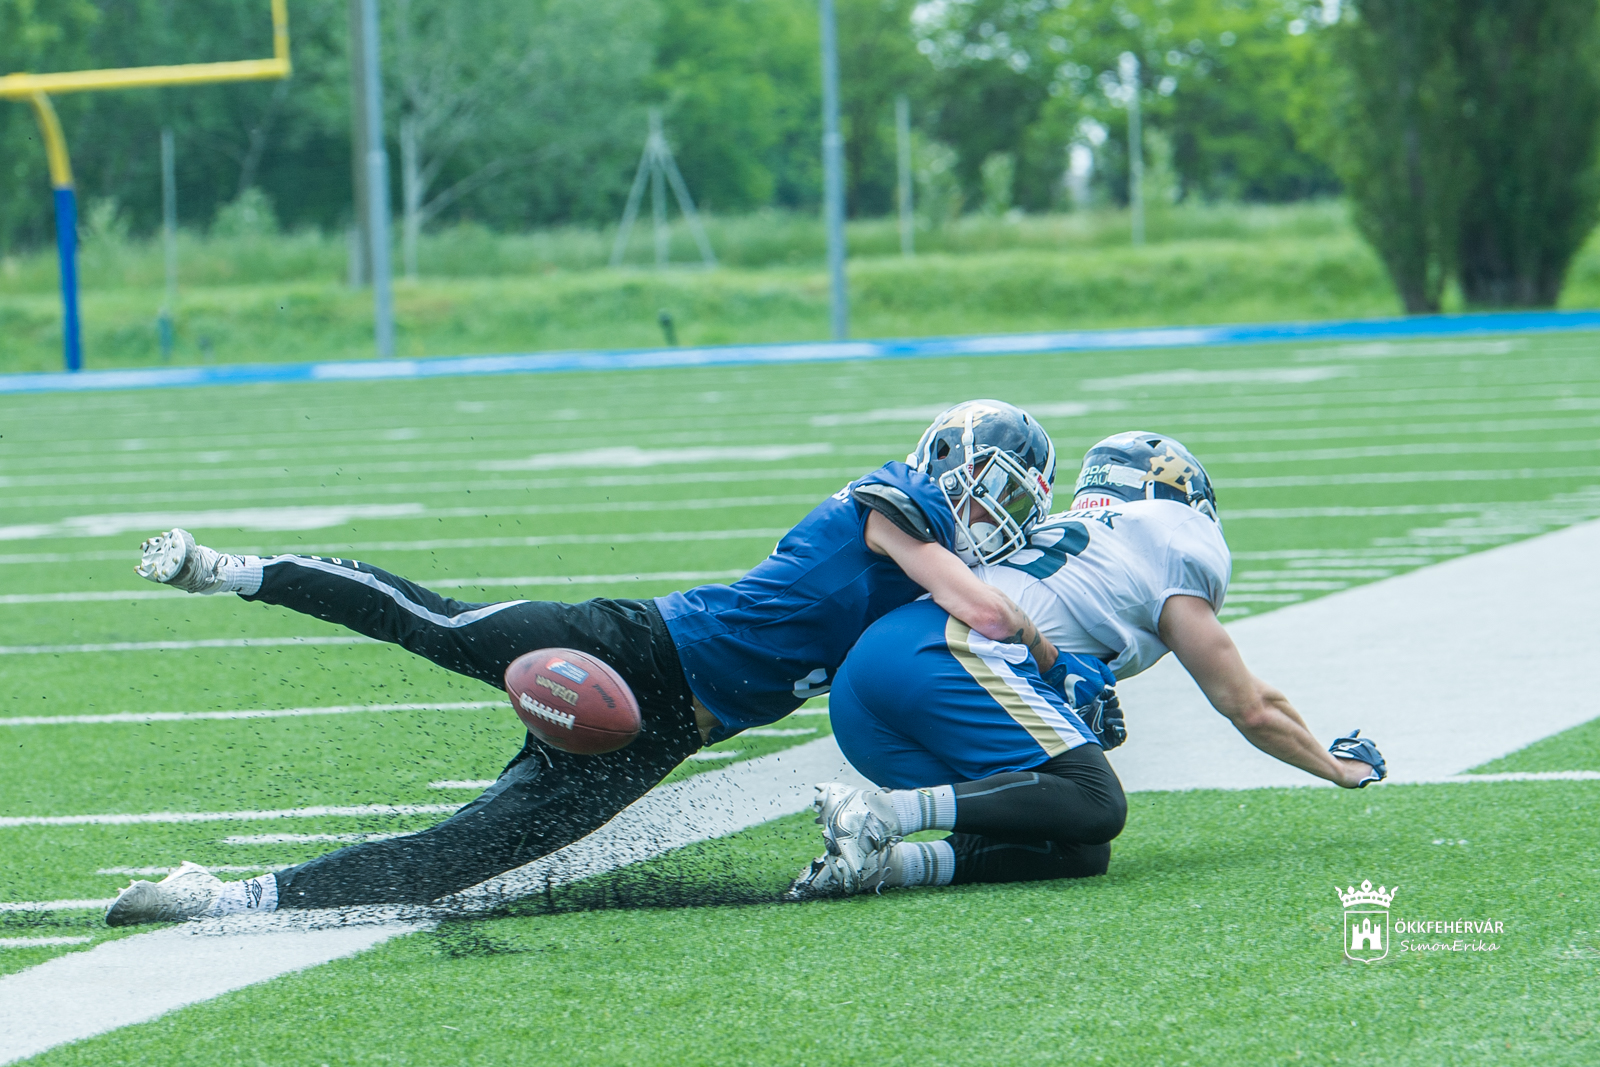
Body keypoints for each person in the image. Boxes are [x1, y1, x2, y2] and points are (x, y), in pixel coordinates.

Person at [105, 400, 1061, 925]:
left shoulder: (929, 583)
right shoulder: (891, 507)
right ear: (945, 461)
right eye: (987, 494)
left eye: (1007, 508)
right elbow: (979, 604)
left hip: (665, 735)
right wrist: (1045, 635)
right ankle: (236, 572)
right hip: (633, 645)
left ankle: (222, 895)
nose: (989, 520)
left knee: (462, 858)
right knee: (437, 625)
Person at [789, 430, 1387, 898]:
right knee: (1094, 799)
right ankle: (881, 812)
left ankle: (882, 866)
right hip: (941, 652)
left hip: (866, 690)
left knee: (1072, 844)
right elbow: (1247, 705)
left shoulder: (1076, 532)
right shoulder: (1171, 537)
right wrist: (1333, 768)